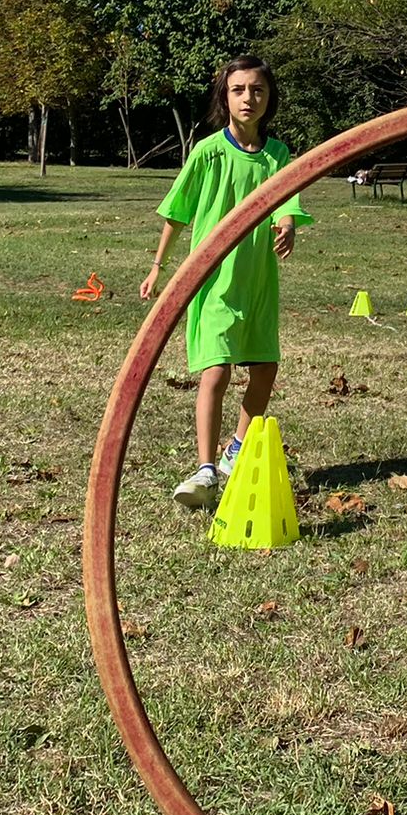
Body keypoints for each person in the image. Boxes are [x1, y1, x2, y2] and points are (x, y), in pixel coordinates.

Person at [140, 56, 311, 509]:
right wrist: (159, 266)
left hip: (257, 282)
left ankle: (236, 448)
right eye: (238, 90)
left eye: (257, 90)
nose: (248, 98)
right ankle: (204, 468)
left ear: (269, 97)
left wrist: (288, 224)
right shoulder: (208, 151)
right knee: (215, 369)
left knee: (264, 369)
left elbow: (287, 201)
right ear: (225, 97)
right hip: (213, 280)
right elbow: (177, 211)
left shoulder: (277, 154)